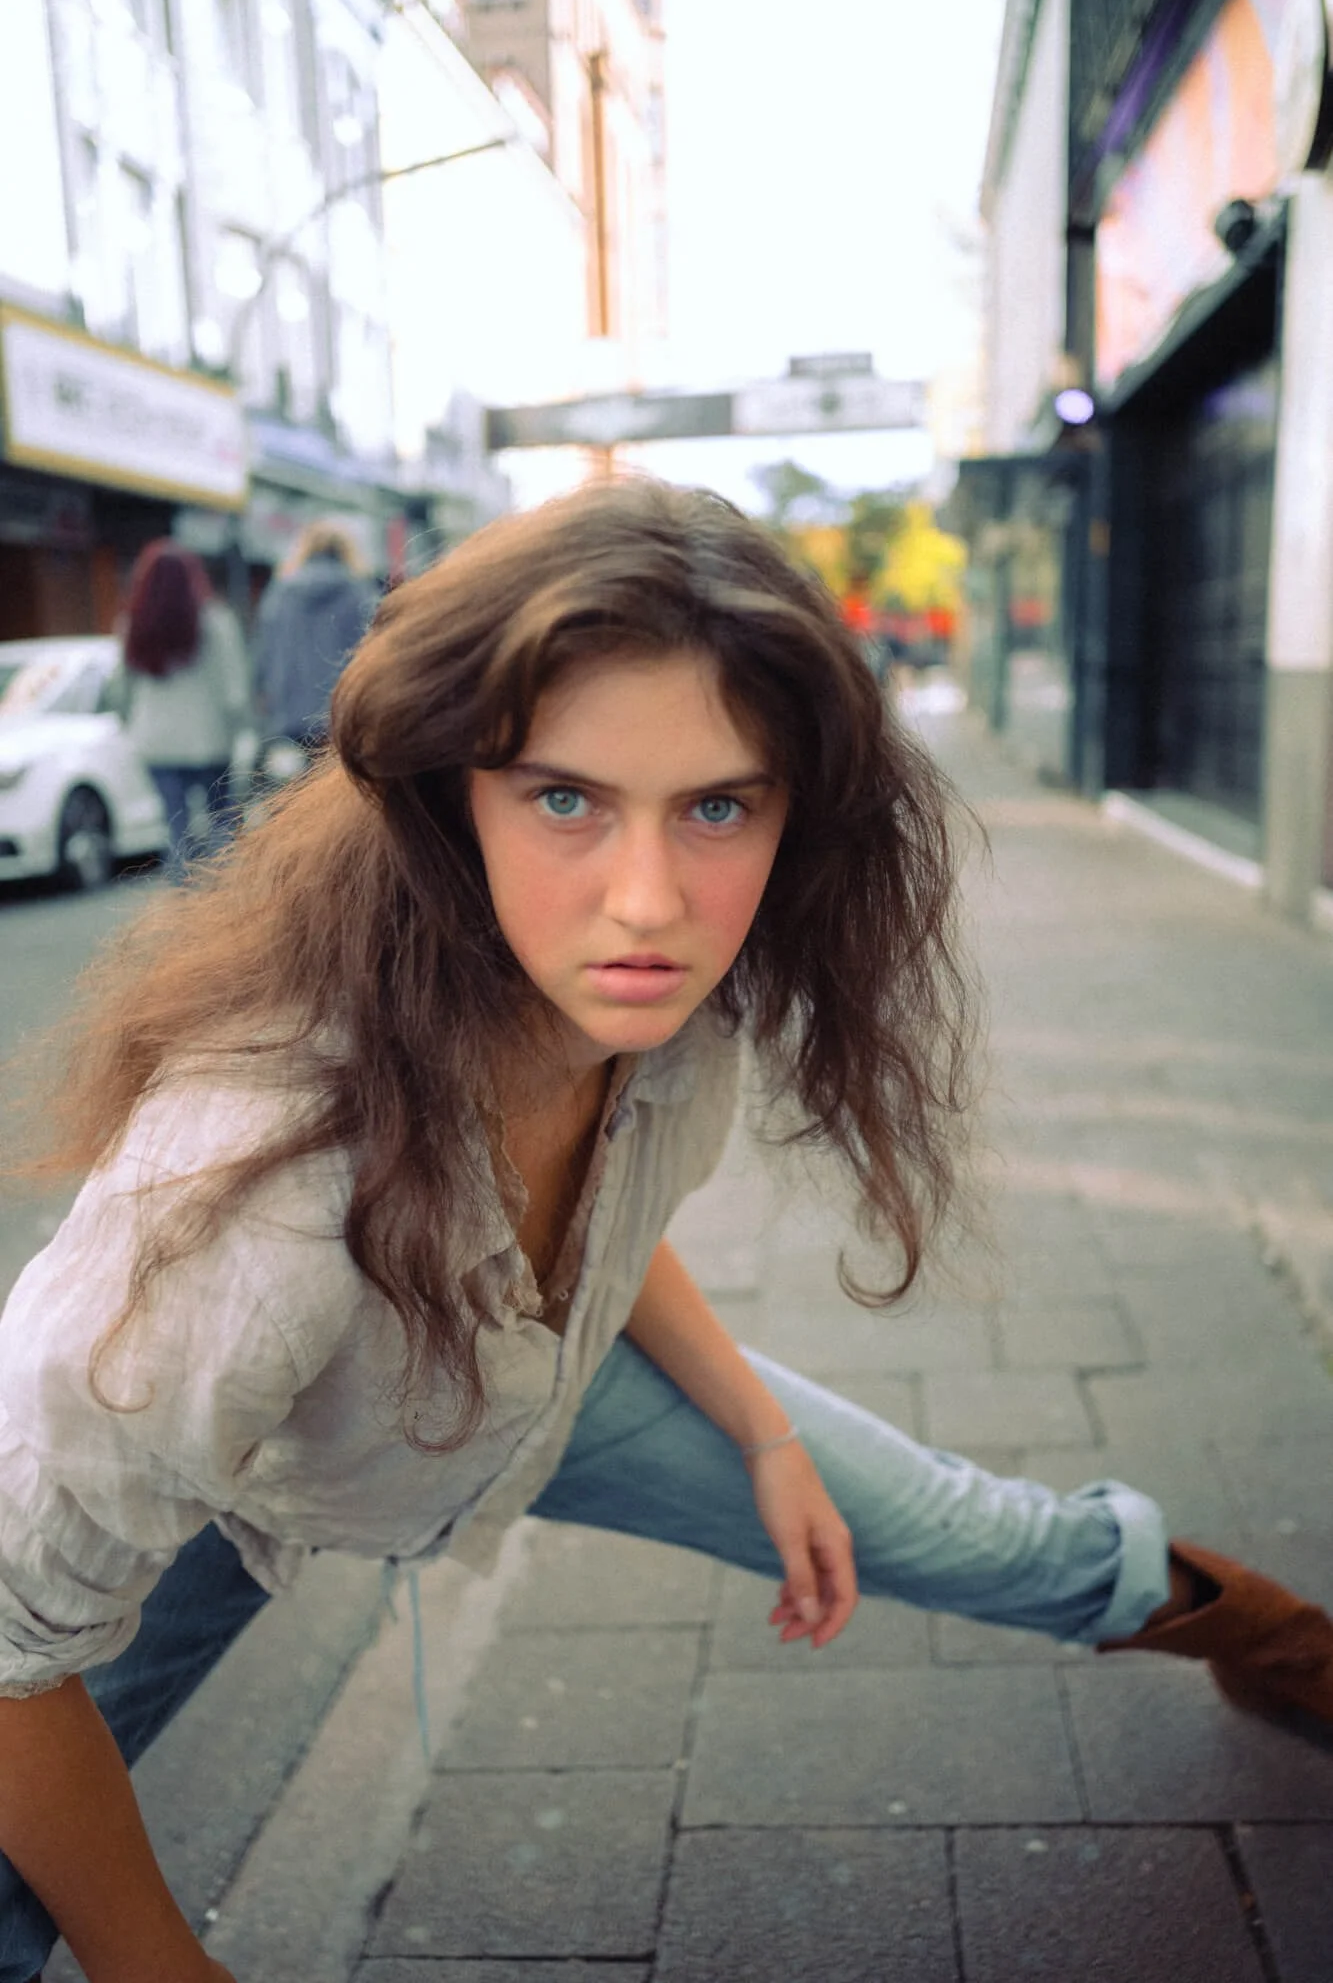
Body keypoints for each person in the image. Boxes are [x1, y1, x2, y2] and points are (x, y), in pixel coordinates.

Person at [0, 481, 1329, 1983]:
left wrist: (763, 1438)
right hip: (249, 1487)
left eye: (717, 804)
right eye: (563, 796)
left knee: (960, 1530)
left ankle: (1290, 1645)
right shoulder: (249, 1201)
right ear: (451, 797)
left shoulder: (666, 1014)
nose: (649, 901)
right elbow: (3, 1648)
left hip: (541, 1383)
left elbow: (590, 1231)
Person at [120, 541, 251, 878]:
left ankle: (180, 910)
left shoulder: (132, 625)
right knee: (221, 824)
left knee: (176, 830)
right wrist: (244, 733)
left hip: (157, 744)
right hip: (209, 741)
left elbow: (122, 690)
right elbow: (234, 693)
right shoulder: (216, 623)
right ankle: (224, 907)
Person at [252, 520, 377, 754]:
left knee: (294, 786)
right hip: (342, 716)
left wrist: (263, 694)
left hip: (288, 715)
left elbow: (263, 653)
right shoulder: (360, 594)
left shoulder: (280, 594)